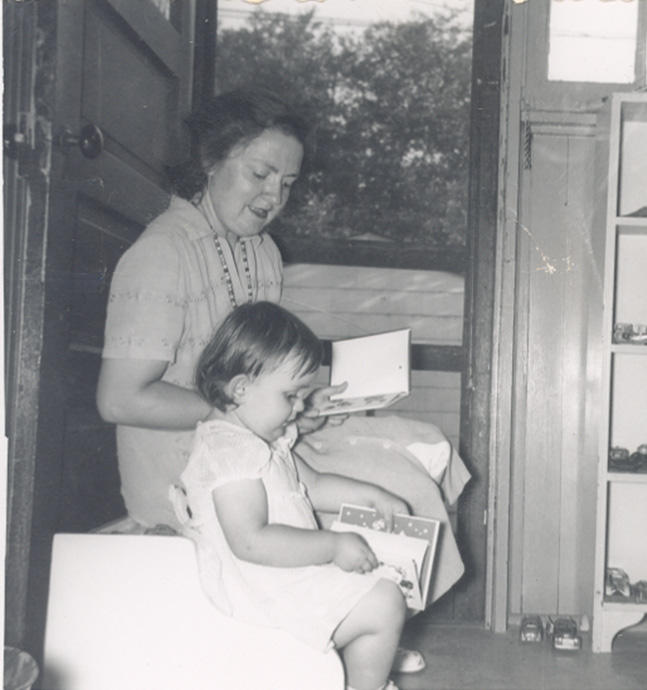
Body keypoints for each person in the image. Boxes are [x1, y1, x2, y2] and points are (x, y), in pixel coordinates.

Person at [96, 88, 469, 669]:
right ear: (210, 161)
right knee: (389, 474)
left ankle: (365, 621)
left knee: (419, 446)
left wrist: (298, 404)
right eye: (260, 173)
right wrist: (246, 415)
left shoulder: (261, 251)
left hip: (259, 438)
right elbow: (119, 398)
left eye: (288, 183)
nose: (273, 196)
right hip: (194, 469)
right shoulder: (161, 253)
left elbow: (260, 369)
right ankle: (360, 625)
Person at [170, 301, 406, 690]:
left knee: (382, 593)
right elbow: (250, 540)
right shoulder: (231, 454)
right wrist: (332, 545)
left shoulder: (255, 439)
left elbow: (310, 484)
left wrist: (372, 495)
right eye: (290, 396)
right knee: (384, 603)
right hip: (258, 595)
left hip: (279, 579)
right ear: (241, 388)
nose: (299, 408)